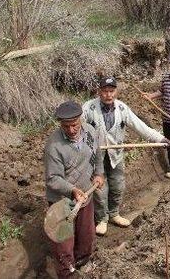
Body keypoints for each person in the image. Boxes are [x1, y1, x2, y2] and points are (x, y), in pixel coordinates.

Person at [82, 77, 170, 236]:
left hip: (116, 155)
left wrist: (159, 138)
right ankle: (102, 218)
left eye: (111, 91)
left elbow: (140, 127)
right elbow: (78, 130)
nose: (108, 95)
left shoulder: (122, 109)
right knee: (99, 190)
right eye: (105, 91)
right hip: (95, 158)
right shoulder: (89, 109)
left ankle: (114, 214)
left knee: (118, 185)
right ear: (99, 92)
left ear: (116, 92)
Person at [44, 100, 105, 278]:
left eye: (74, 125)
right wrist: (72, 190)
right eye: (66, 126)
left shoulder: (91, 132)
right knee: (63, 245)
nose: (71, 130)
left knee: (86, 237)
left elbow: (98, 154)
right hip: (63, 201)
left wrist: (99, 173)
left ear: (81, 120)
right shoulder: (54, 146)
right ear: (60, 124)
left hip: (85, 195)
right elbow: (52, 179)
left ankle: (83, 265)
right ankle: (67, 273)